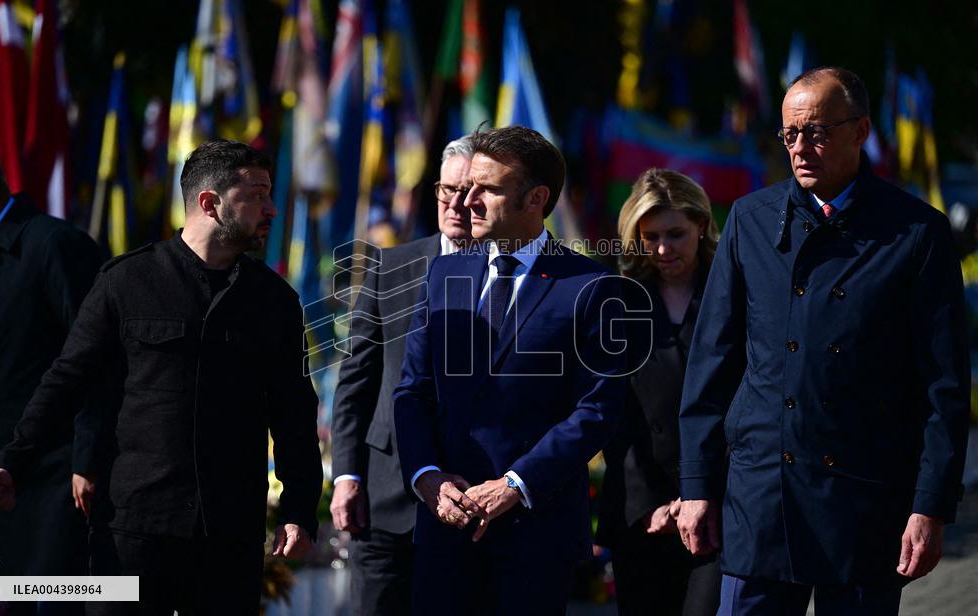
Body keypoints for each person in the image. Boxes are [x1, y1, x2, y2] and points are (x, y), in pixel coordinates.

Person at [0, 139, 323, 615]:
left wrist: (300, 511)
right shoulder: (125, 282)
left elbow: (294, 414)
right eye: (258, 194)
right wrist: (14, 462)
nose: (272, 208)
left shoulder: (275, 303)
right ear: (210, 203)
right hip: (133, 536)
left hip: (229, 538)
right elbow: (68, 381)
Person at [677, 67, 970, 615]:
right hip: (762, 497)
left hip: (864, 500)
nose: (800, 148)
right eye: (789, 134)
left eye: (817, 132)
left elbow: (944, 386)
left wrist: (930, 506)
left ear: (860, 132)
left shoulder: (915, 233)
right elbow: (712, 362)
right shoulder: (750, 219)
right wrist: (696, 484)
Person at [393, 125, 628, 614]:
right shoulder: (445, 273)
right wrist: (428, 477)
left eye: (488, 189)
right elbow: (413, 392)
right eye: (464, 187)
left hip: (535, 536)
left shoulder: (591, 283)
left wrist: (515, 485)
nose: (468, 201)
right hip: (446, 529)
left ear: (535, 198)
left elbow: (598, 409)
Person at [329, 135, 475, 616]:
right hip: (385, 500)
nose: (455, 204)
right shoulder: (390, 266)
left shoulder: (515, 277)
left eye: (470, 191)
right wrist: (346, 475)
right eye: (445, 190)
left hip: (473, 498)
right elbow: (356, 381)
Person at [0, 143, 103, 615]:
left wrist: (89, 460)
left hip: (63, 480)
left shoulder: (53, 245)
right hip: (7, 483)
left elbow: (99, 360)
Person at [597, 168, 721, 616]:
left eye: (676, 234)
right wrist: (650, 505)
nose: (663, 249)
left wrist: (701, 493)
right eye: (650, 237)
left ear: (702, 226)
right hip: (641, 512)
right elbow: (612, 414)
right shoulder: (617, 301)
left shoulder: (732, 292)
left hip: (719, 509)